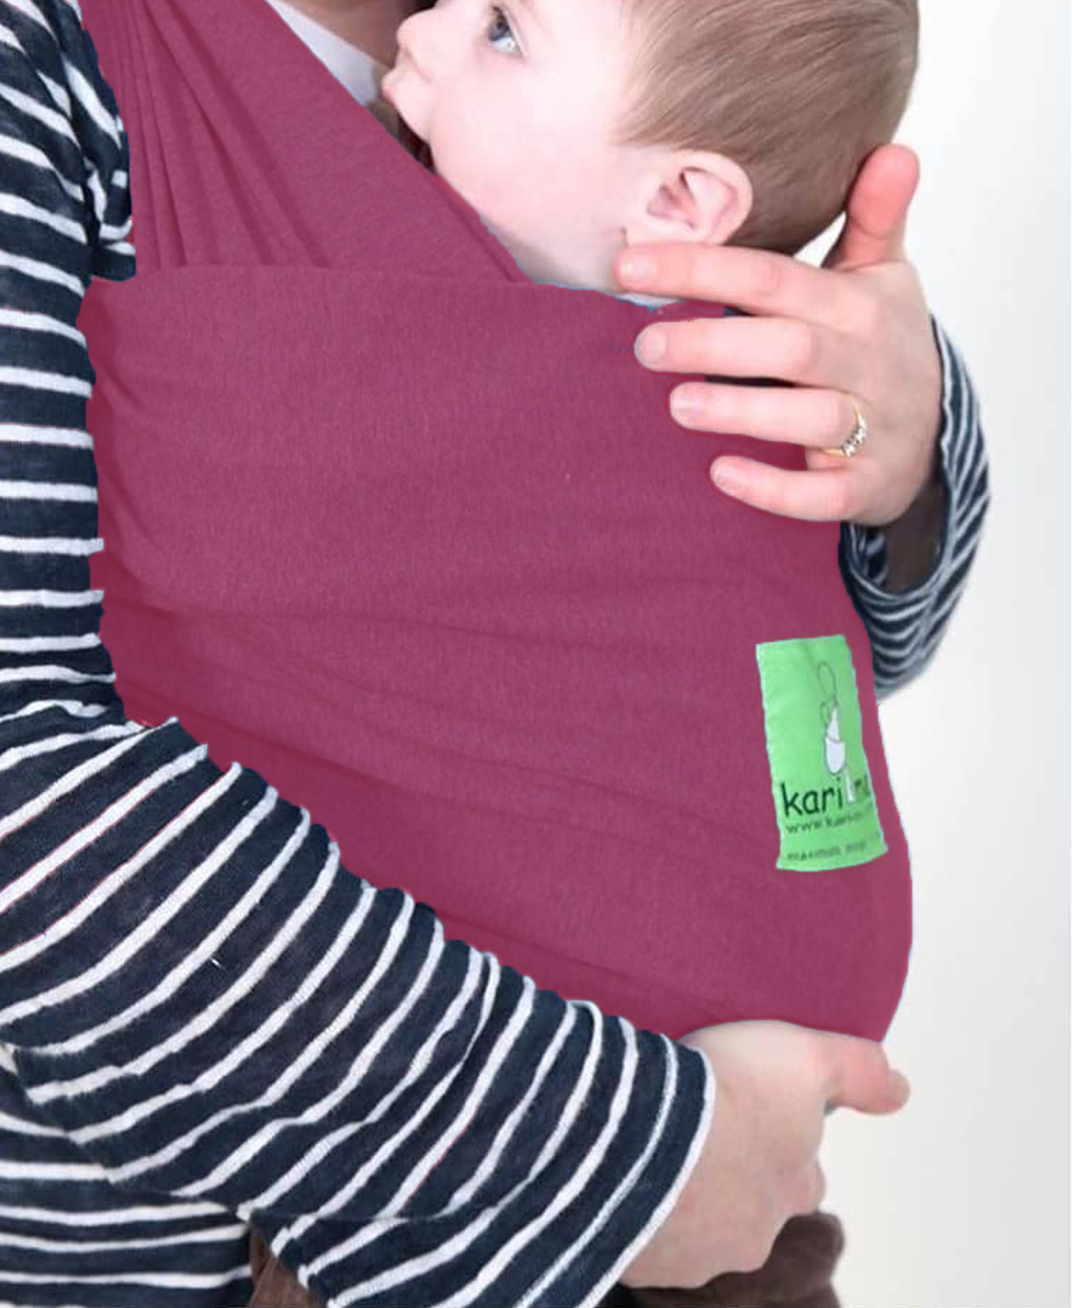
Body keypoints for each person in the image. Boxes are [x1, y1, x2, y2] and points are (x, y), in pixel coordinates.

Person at [0, 5, 988, 1308]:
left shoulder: (616, 44)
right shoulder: (62, 69)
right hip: (225, 1236)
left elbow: (806, 656)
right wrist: (632, 1154)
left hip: (741, 1203)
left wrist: (900, 443)